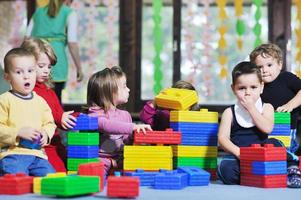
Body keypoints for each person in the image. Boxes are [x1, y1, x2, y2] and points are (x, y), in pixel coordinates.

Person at [217, 61, 301, 188]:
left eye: (253, 87)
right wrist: (239, 153)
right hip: (240, 156)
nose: (247, 92)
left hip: (263, 153)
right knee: (225, 168)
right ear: (233, 89)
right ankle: (255, 175)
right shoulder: (229, 112)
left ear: (261, 87)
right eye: (241, 88)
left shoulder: (267, 107)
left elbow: (267, 128)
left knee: (274, 143)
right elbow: (222, 139)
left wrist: (252, 109)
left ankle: (291, 167)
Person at [21, 38, 77, 172]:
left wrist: (76, 117)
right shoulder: (28, 91)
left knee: (71, 166)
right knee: (57, 173)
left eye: (49, 66)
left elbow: (60, 115)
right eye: (41, 66)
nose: (46, 70)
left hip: (56, 142)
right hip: (40, 146)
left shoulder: (50, 92)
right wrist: (60, 117)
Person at [85, 66, 152, 176]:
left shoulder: (125, 115)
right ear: (110, 92)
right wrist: (133, 127)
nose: (128, 89)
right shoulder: (95, 113)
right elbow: (105, 125)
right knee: (95, 179)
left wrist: (137, 139)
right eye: (124, 86)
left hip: (119, 159)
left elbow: (126, 141)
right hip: (100, 159)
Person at [0, 47, 56, 176]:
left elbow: (49, 123)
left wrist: (46, 133)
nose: (26, 76)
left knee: (51, 179)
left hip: (38, 156)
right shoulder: (4, 100)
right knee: (15, 179)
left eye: (30, 71)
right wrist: (17, 132)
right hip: (12, 154)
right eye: (19, 72)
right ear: (7, 77)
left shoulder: (40, 101)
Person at [26, 0, 83, 102]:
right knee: (54, 100)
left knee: (33, 98)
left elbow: (26, 39)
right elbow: (72, 42)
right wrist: (79, 68)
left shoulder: (38, 12)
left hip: (34, 59)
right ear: (68, 1)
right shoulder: (69, 12)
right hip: (56, 61)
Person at [250, 43, 301, 154]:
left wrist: (290, 105)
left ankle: (292, 163)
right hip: (263, 130)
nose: (264, 70)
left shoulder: (286, 78)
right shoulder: (256, 85)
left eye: (269, 65)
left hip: (287, 129)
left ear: (279, 65)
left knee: (286, 151)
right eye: (259, 67)